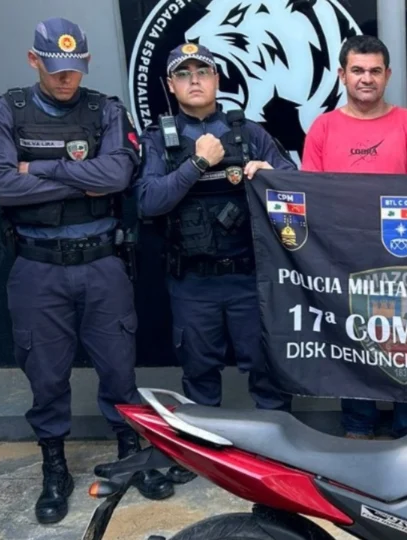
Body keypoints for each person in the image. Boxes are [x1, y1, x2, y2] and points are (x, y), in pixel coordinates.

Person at [0, 17, 172, 525]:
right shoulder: (5, 111)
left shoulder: (105, 109)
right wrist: (82, 179)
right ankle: (54, 467)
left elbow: (117, 173)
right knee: (45, 374)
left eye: (75, 69)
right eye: (56, 69)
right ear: (34, 59)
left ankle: (131, 455)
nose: (66, 80)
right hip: (38, 269)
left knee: (118, 368)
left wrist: (35, 169)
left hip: (102, 262)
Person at [137, 43, 296, 481]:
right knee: (199, 373)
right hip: (193, 282)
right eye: (183, 73)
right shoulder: (157, 139)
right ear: (170, 85)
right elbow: (148, 202)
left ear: (216, 80)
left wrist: (271, 174)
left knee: (266, 370)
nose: (193, 80)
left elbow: (294, 189)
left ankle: (276, 452)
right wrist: (196, 163)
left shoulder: (250, 131)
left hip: (249, 276)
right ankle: (200, 454)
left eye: (202, 71)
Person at [301, 35, 407, 438]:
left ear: (388, 75)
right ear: (342, 75)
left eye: (375, 71)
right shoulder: (322, 127)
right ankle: (358, 426)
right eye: (357, 70)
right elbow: (309, 197)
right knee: (352, 344)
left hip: (401, 252)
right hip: (342, 257)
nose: (366, 79)